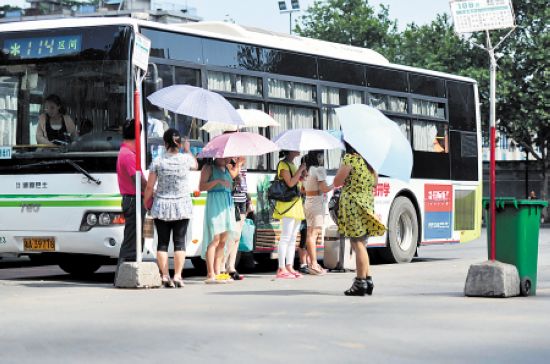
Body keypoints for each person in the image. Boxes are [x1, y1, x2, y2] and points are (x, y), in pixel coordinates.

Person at [144, 129, 197, 288]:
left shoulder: (158, 161)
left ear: (165, 144)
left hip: (162, 206)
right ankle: (178, 276)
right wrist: (187, 150)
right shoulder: (186, 159)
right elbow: (195, 165)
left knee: (162, 243)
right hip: (182, 206)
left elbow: (149, 186)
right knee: (180, 242)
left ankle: (165, 276)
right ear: (179, 144)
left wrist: (147, 201)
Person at [333, 141, 386, 296]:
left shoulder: (351, 159)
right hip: (367, 204)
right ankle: (367, 279)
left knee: (357, 243)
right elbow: (375, 183)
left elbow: (337, 182)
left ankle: (360, 282)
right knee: (362, 243)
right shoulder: (369, 162)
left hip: (353, 206)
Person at [115, 119, 147, 283]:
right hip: (133, 200)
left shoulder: (127, 153)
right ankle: (121, 276)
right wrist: (150, 189)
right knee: (131, 240)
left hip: (133, 199)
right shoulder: (128, 155)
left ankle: (127, 275)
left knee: (135, 238)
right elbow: (138, 181)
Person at [199, 158, 237, 284]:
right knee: (214, 240)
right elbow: (201, 186)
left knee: (223, 241)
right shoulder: (208, 168)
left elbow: (232, 183)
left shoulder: (227, 168)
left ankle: (218, 271)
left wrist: (238, 166)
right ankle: (210, 273)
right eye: (224, 156)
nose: (227, 159)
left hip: (226, 205)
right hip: (215, 203)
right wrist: (217, 181)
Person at [273, 150, 306, 279]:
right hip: (287, 205)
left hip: (296, 204)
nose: (299, 149)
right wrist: (301, 169)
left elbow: (298, 185)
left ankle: (289, 266)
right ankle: (281, 268)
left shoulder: (292, 165)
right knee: (286, 237)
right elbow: (290, 183)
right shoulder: (283, 165)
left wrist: (302, 175)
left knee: (293, 238)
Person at [302, 150, 334, 275]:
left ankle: (312, 264)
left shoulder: (306, 171)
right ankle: (314, 264)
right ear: (317, 156)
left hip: (308, 202)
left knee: (310, 233)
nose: (322, 158)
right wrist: (335, 184)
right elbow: (324, 188)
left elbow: (303, 189)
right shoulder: (319, 170)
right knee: (313, 234)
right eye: (321, 155)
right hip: (316, 202)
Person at [221, 156, 248, 281]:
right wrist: (238, 164)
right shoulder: (229, 164)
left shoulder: (241, 165)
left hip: (242, 201)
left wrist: (248, 200)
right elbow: (231, 177)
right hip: (233, 201)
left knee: (237, 237)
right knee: (232, 235)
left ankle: (231, 267)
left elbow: (244, 183)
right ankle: (221, 265)